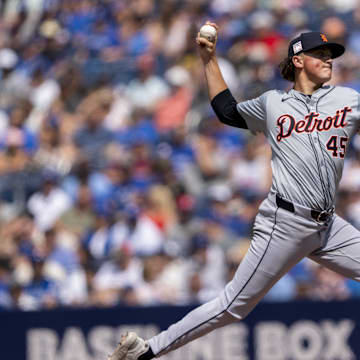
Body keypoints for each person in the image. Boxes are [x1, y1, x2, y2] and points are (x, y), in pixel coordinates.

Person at [107, 22, 360, 360]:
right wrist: (208, 60)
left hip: (328, 225)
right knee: (232, 307)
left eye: (331, 55)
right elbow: (226, 110)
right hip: (285, 223)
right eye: (321, 54)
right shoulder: (273, 104)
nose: (329, 60)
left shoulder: (348, 99)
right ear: (298, 60)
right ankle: (147, 349)